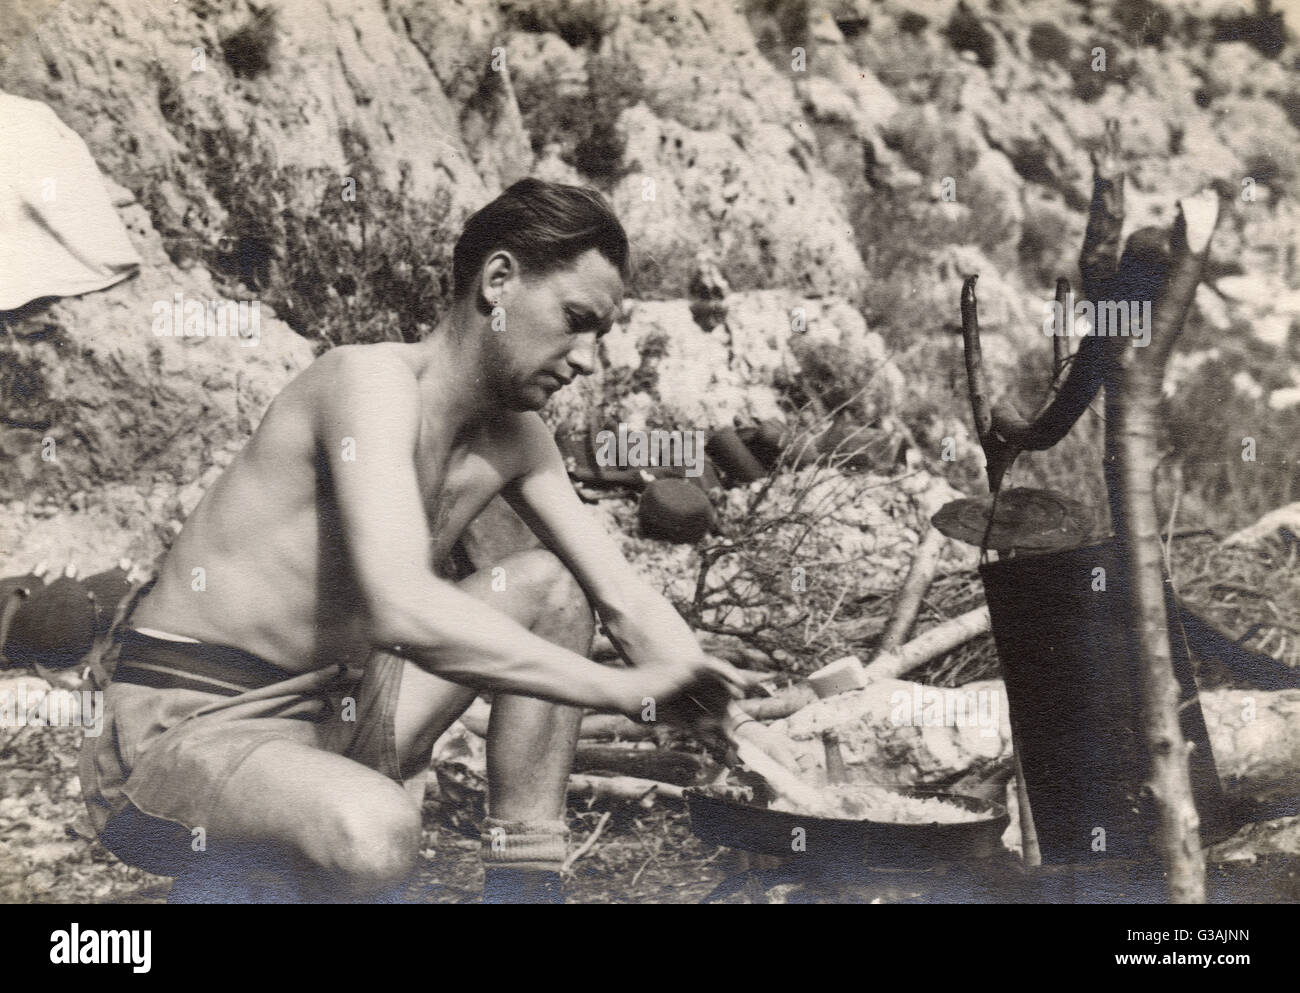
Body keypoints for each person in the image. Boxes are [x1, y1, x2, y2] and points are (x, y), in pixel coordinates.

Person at [80, 178, 756, 904]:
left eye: (602, 334)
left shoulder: (517, 438)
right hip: (188, 729)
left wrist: (732, 721)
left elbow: (622, 599)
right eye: (575, 319)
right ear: (498, 280)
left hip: (330, 723)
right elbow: (399, 606)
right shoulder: (367, 382)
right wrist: (620, 690)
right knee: (377, 832)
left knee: (552, 589)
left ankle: (524, 892)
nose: (587, 357)